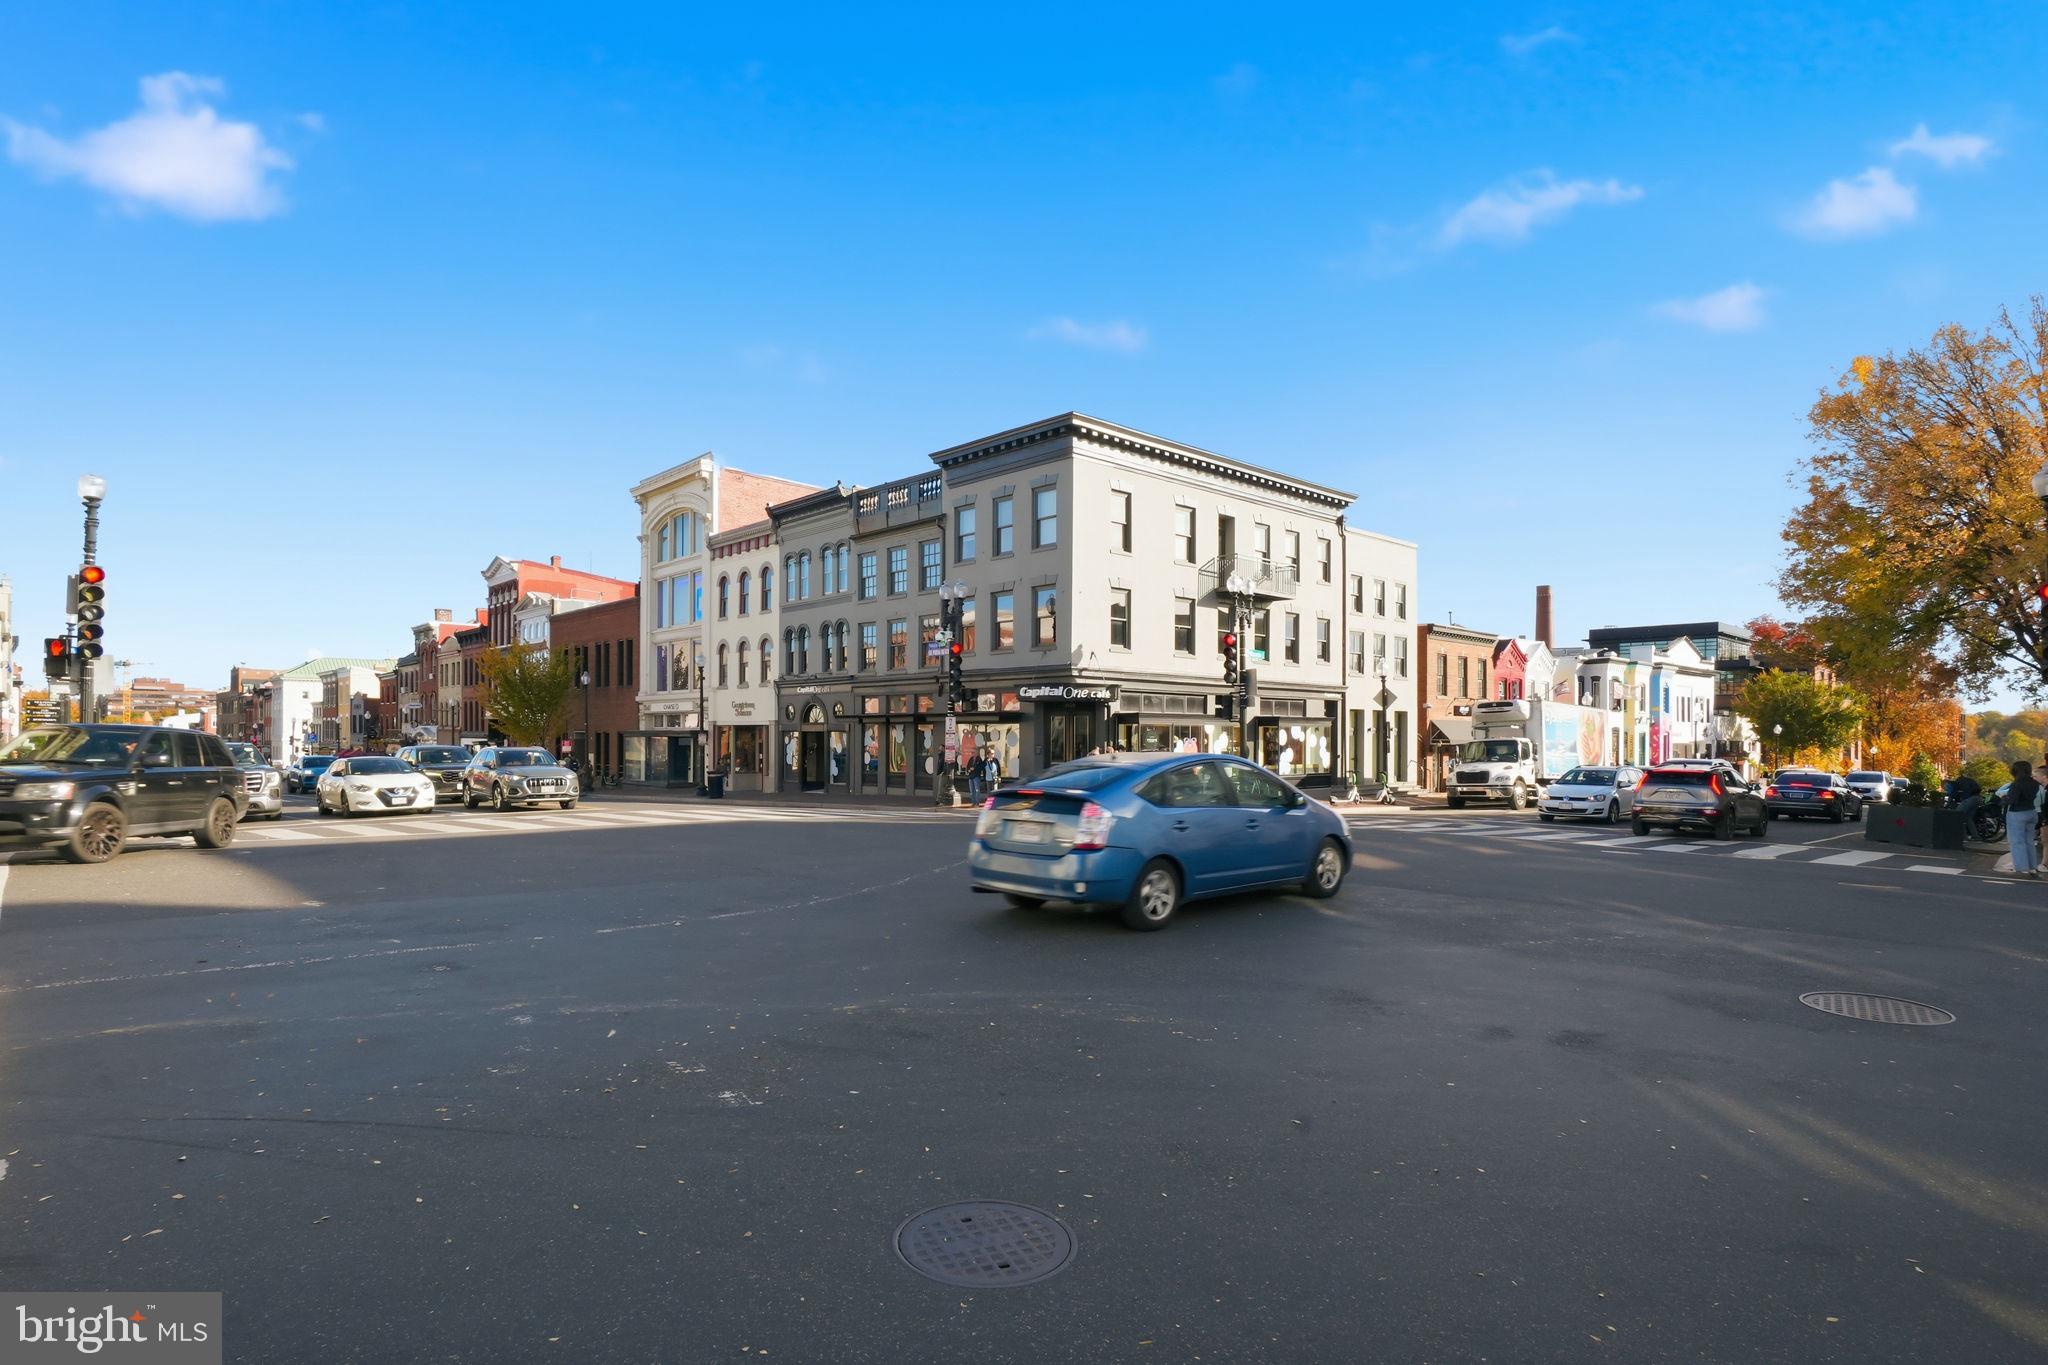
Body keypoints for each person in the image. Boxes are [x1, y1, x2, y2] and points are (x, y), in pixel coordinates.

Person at [2005, 761, 2042, 878]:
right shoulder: (2035, 783)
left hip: (2017, 813)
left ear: (2015, 771)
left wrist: (2003, 799)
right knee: (2029, 841)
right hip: (2031, 812)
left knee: (2017, 842)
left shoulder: (2016, 784)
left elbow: (2012, 800)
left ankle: (2022, 868)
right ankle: (2032, 867)